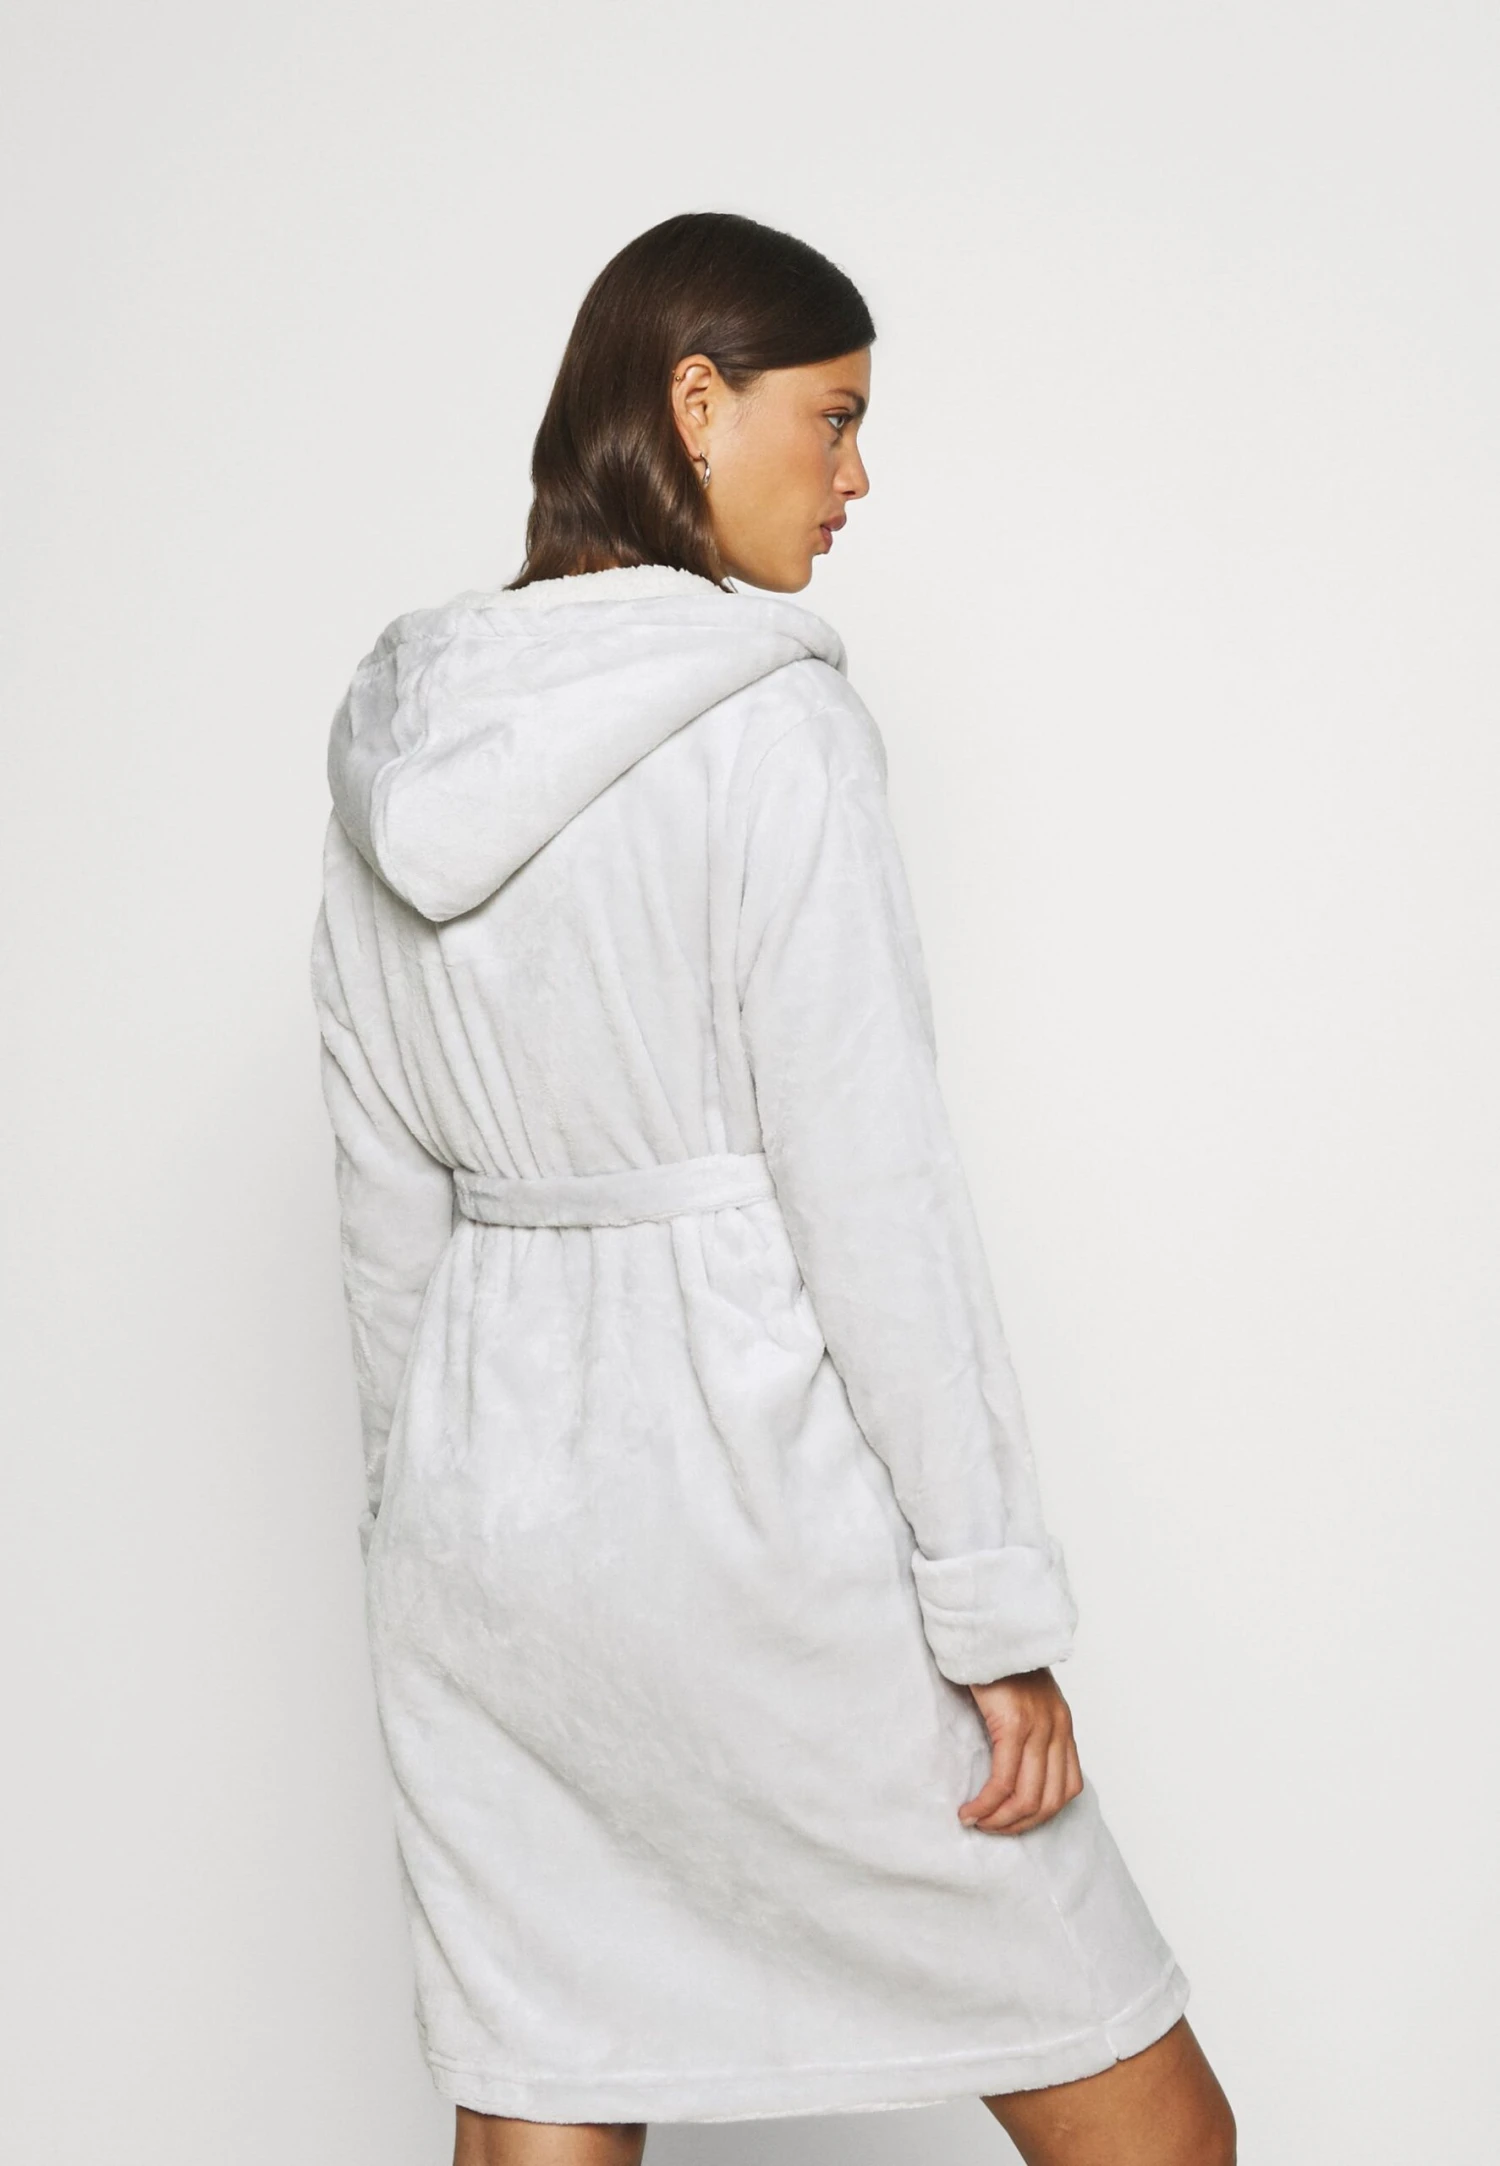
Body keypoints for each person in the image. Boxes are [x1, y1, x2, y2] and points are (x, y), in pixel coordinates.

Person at [311, 211, 1236, 2166]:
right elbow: (873, 1192)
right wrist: (987, 1607)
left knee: (550, 2066)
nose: (857, 475)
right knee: (1153, 2122)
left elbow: (382, 1189)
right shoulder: (772, 723)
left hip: (489, 1539)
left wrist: (415, 1521)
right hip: (747, 1518)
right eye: (835, 417)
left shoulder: (402, 742)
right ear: (695, 400)